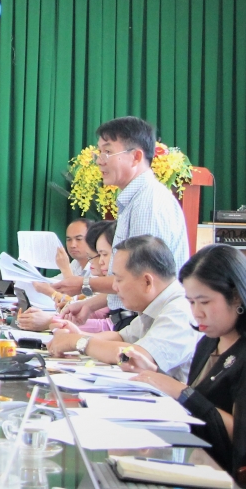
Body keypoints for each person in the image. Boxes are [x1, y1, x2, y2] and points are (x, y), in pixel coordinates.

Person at [127, 245, 246, 474]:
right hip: (194, 457)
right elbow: (200, 398)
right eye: (191, 302)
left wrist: (181, 391)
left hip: (222, 472)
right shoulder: (210, 340)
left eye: (204, 302)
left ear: (236, 297)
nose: (197, 312)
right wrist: (156, 378)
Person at [54, 117, 189, 331]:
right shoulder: (136, 199)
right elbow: (126, 281)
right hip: (135, 321)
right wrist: (89, 304)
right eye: (99, 153)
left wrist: (84, 284)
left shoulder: (148, 204)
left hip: (152, 325)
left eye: (107, 152)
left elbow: (141, 279)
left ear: (136, 157)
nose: (99, 161)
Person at [47, 235, 198, 382]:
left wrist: (78, 342)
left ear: (147, 282)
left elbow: (137, 357)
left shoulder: (180, 310)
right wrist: (76, 335)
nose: (114, 287)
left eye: (119, 279)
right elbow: (121, 337)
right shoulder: (158, 303)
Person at [18, 221, 115, 333]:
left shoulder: (103, 278)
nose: (73, 245)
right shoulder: (76, 264)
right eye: (69, 239)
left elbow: (108, 326)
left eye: (79, 239)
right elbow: (83, 308)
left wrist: (51, 319)